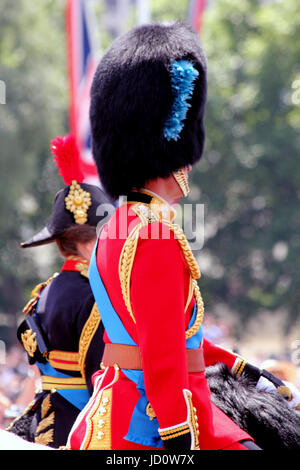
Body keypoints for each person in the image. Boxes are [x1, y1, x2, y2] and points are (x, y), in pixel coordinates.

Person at [66, 21, 272, 451]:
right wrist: (179, 439)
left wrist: (240, 368)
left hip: (115, 406)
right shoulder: (155, 232)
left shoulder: (118, 225)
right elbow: (162, 357)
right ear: (175, 151)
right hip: (151, 422)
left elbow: (172, 338)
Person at [6, 134, 111, 448]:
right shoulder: (93, 295)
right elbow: (101, 379)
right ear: (87, 240)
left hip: (43, 418)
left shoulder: (45, 291)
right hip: (80, 425)